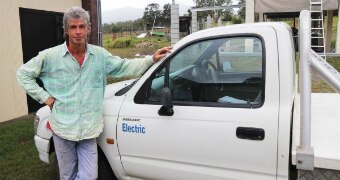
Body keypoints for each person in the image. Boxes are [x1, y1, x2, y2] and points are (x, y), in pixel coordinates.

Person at [16, 6, 171, 180]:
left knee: (89, 176)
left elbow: (124, 66)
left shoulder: (99, 56)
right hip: (63, 129)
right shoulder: (50, 57)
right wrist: (45, 98)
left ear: (89, 29)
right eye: (73, 27)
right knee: (67, 175)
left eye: (82, 27)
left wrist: (151, 59)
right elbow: (23, 74)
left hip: (89, 131)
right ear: (66, 30)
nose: (77, 32)